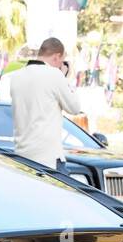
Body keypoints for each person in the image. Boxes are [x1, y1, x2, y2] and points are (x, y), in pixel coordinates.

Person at [11, 37, 85, 170]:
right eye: (61, 61)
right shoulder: (54, 75)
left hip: (21, 155)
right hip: (48, 159)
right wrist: (65, 78)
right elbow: (74, 108)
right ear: (57, 57)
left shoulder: (16, 77)